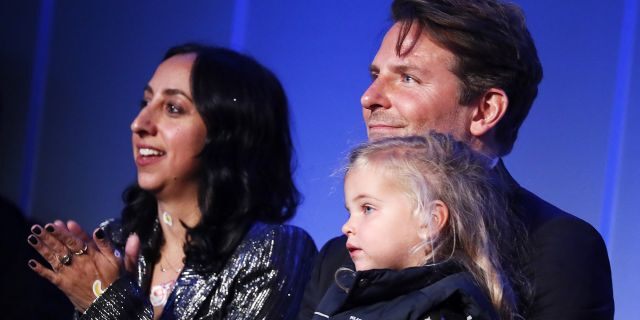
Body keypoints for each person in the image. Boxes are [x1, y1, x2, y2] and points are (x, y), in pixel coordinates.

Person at [299, 0, 614, 319]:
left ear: (485, 109)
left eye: (407, 78)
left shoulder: (557, 248)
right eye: (375, 75)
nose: (369, 98)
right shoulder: (338, 257)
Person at [26, 44, 317, 319]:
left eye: (173, 108)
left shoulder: (273, 249)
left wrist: (107, 302)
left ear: (229, 134)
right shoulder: (114, 241)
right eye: (146, 101)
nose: (139, 123)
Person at [313, 133, 523, 320]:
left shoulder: (446, 309)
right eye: (349, 211)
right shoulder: (345, 286)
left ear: (430, 221)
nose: (346, 227)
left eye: (367, 208)